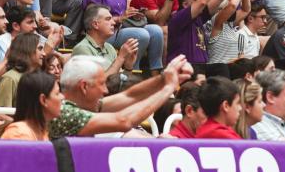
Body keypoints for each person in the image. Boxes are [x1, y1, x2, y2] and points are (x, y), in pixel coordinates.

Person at [50, 54, 192, 138]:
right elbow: (124, 121)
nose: (105, 90)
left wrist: (163, 78)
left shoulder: (79, 104)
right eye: (101, 84)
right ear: (84, 86)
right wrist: (168, 88)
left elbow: (129, 95)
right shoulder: (63, 111)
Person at [72, 4, 138, 77]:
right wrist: (121, 57)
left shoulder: (110, 48)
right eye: (108, 19)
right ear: (95, 24)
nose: (113, 23)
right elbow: (97, 84)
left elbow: (119, 83)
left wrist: (128, 67)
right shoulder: (82, 48)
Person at [1, 71, 64, 141]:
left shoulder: (42, 132)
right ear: (43, 100)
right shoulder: (18, 134)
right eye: (57, 93)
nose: (62, 97)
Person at [0, 33, 45, 107]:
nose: (44, 53)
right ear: (27, 49)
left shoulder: (39, 77)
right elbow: (1, 114)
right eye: (40, 49)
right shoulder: (10, 78)